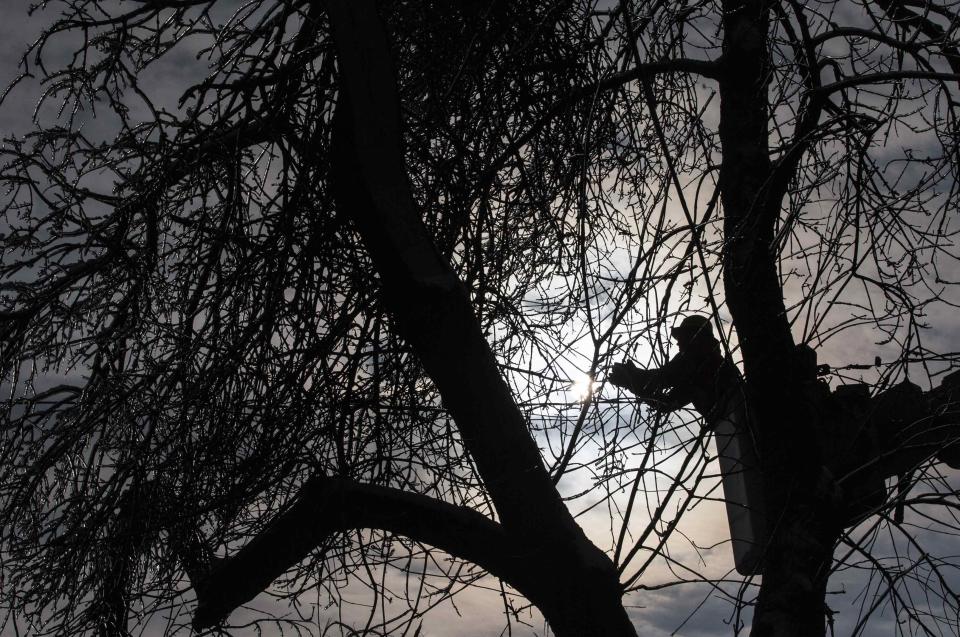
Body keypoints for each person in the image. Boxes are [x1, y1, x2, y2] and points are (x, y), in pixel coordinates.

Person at [608, 315, 742, 422]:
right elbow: (667, 400)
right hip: (731, 421)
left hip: (731, 419)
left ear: (694, 336)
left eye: (681, 337)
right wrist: (634, 378)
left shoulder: (694, 358)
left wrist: (632, 380)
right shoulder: (706, 361)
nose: (678, 342)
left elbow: (662, 380)